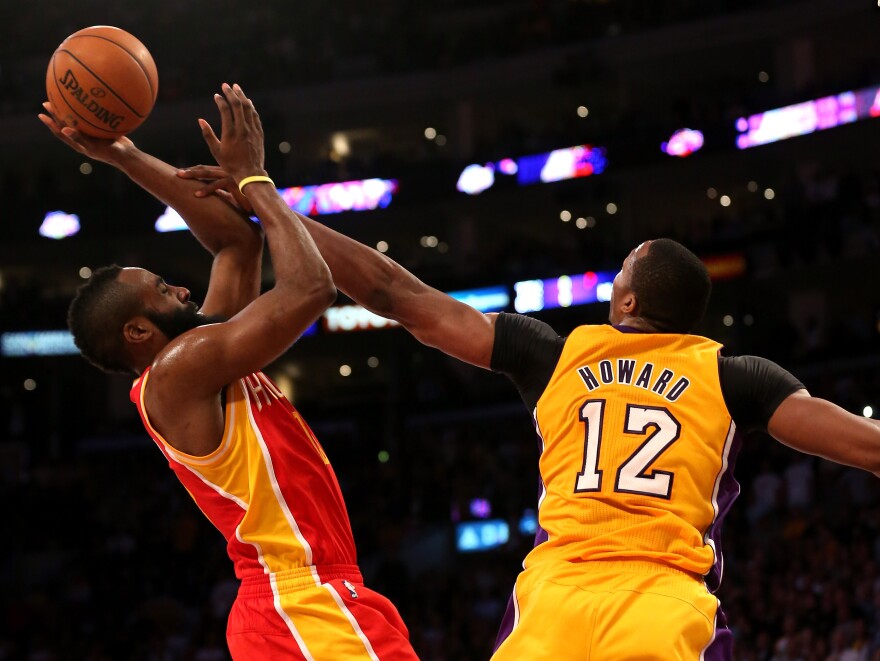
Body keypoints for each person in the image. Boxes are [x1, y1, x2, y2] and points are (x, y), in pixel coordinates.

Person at [185, 167, 880, 659]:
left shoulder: (554, 354)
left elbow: (398, 294)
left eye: (621, 271)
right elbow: (866, 446)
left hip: (552, 604)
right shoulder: (735, 376)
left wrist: (270, 205)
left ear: (629, 301)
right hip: (661, 605)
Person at [38, 85, 419, 661]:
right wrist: (254, 180)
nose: (180, 287)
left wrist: (125, 155)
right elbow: (311, 287)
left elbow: (236, 242)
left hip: (308, 598)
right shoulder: (179, 371)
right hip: (300, 602)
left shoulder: (202, 355)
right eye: (162, 290)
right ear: (137, 331)